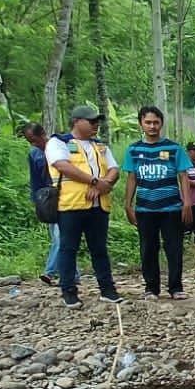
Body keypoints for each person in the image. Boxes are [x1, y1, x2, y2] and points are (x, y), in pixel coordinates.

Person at [46, 105, 123, 309]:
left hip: (98, 206)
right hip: (71, 205)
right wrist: (97, 182)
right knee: (68, 248)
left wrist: (100, 187)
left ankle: (108, 290)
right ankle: (68, 291)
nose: (95, 125)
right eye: (91, 121)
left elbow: (114, 169)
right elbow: (63, 166)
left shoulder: (100, 146)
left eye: (97, 121)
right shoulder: (58, 142)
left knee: (99, 249)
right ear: (76, 121)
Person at [122, 106, 194, 300]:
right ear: (141, 124)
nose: (152, 126)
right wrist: (127, 204)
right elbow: (131, 178)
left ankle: (176, 287)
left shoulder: (174, 148)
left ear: (161, 123)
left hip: (171, 207)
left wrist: (187, 203)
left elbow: (183, 176)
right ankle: (151, 288)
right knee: (147, 248)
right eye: (148, 122)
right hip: (145, 208)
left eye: (156, 122)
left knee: (174, 247)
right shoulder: (134, 150)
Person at [23, 122, 67, 287]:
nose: (33, 144)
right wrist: (36, 201)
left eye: (34, 139)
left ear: (43, 135)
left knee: (61, 238)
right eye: (30, 141)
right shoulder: (34, 154)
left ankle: (49, 271)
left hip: (64, 194)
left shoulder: (58, 148)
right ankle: (72, 273)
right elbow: (35, 180)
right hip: (48, 199)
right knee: (59, 237)